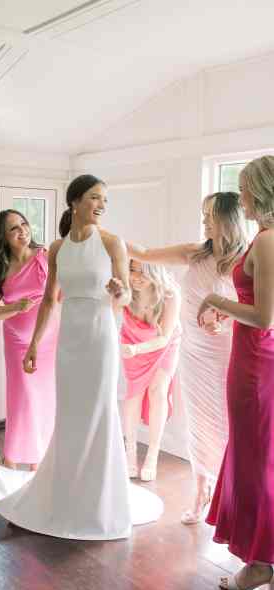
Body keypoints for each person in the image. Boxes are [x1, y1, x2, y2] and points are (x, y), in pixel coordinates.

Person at [0, 174, 163, 540]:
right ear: (75, 201)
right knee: (69, 413)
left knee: (98, 411)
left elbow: (125, 297)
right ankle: (66, 491)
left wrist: (119, 290)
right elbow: (50, 300)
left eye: (104, 201)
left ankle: (99, 499)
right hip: (68, 339)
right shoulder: (57, 248)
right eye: (95, 198)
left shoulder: (113, 243)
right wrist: (34, 344)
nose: (100, 206)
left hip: (100, 336)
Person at [127, 192, 247, 523]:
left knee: (226, 425)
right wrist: (102, 236)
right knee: (198, 424)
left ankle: (231, 496)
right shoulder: (195, 252)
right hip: (192, 352)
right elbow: (145, 253)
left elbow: (256, 310)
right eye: (203, 214)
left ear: (227, 219)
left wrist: (223, 318)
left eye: (209, 215)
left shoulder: (247, 260)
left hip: (226, 354)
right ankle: (200, 494)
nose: (204, 221)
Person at [200, 156, 274, 590]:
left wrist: (216, 299)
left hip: (255, 366)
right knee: (260, 458)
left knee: (254, 462)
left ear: (262, 191)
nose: (240, 196)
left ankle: (261, 561)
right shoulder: (264, 239)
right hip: (257, 358)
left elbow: (263, 316)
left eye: (244, 188)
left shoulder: (266, 241)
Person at [0, 210, 58, 471]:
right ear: (2, 237)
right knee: (22, 398)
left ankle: (40, 462)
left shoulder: (46, 256)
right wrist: (18, 307)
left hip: (49, 337)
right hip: (16, 339)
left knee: (45, 398)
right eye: (14, 228)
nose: (22, 231)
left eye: (24, 224)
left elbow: (59, 295)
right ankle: (12, 458)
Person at [120, 257, 181, 481]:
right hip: (132, 340)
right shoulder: (126, 289)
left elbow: (164, 337)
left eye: (141, 272)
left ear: (154, 272)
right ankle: (130, 454)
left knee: (158, 391)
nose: (135, 277)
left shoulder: (170, 293)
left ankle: (152, 455)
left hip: (163, 344)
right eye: (131, 270)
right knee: (133, 394)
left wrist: (137, 350)